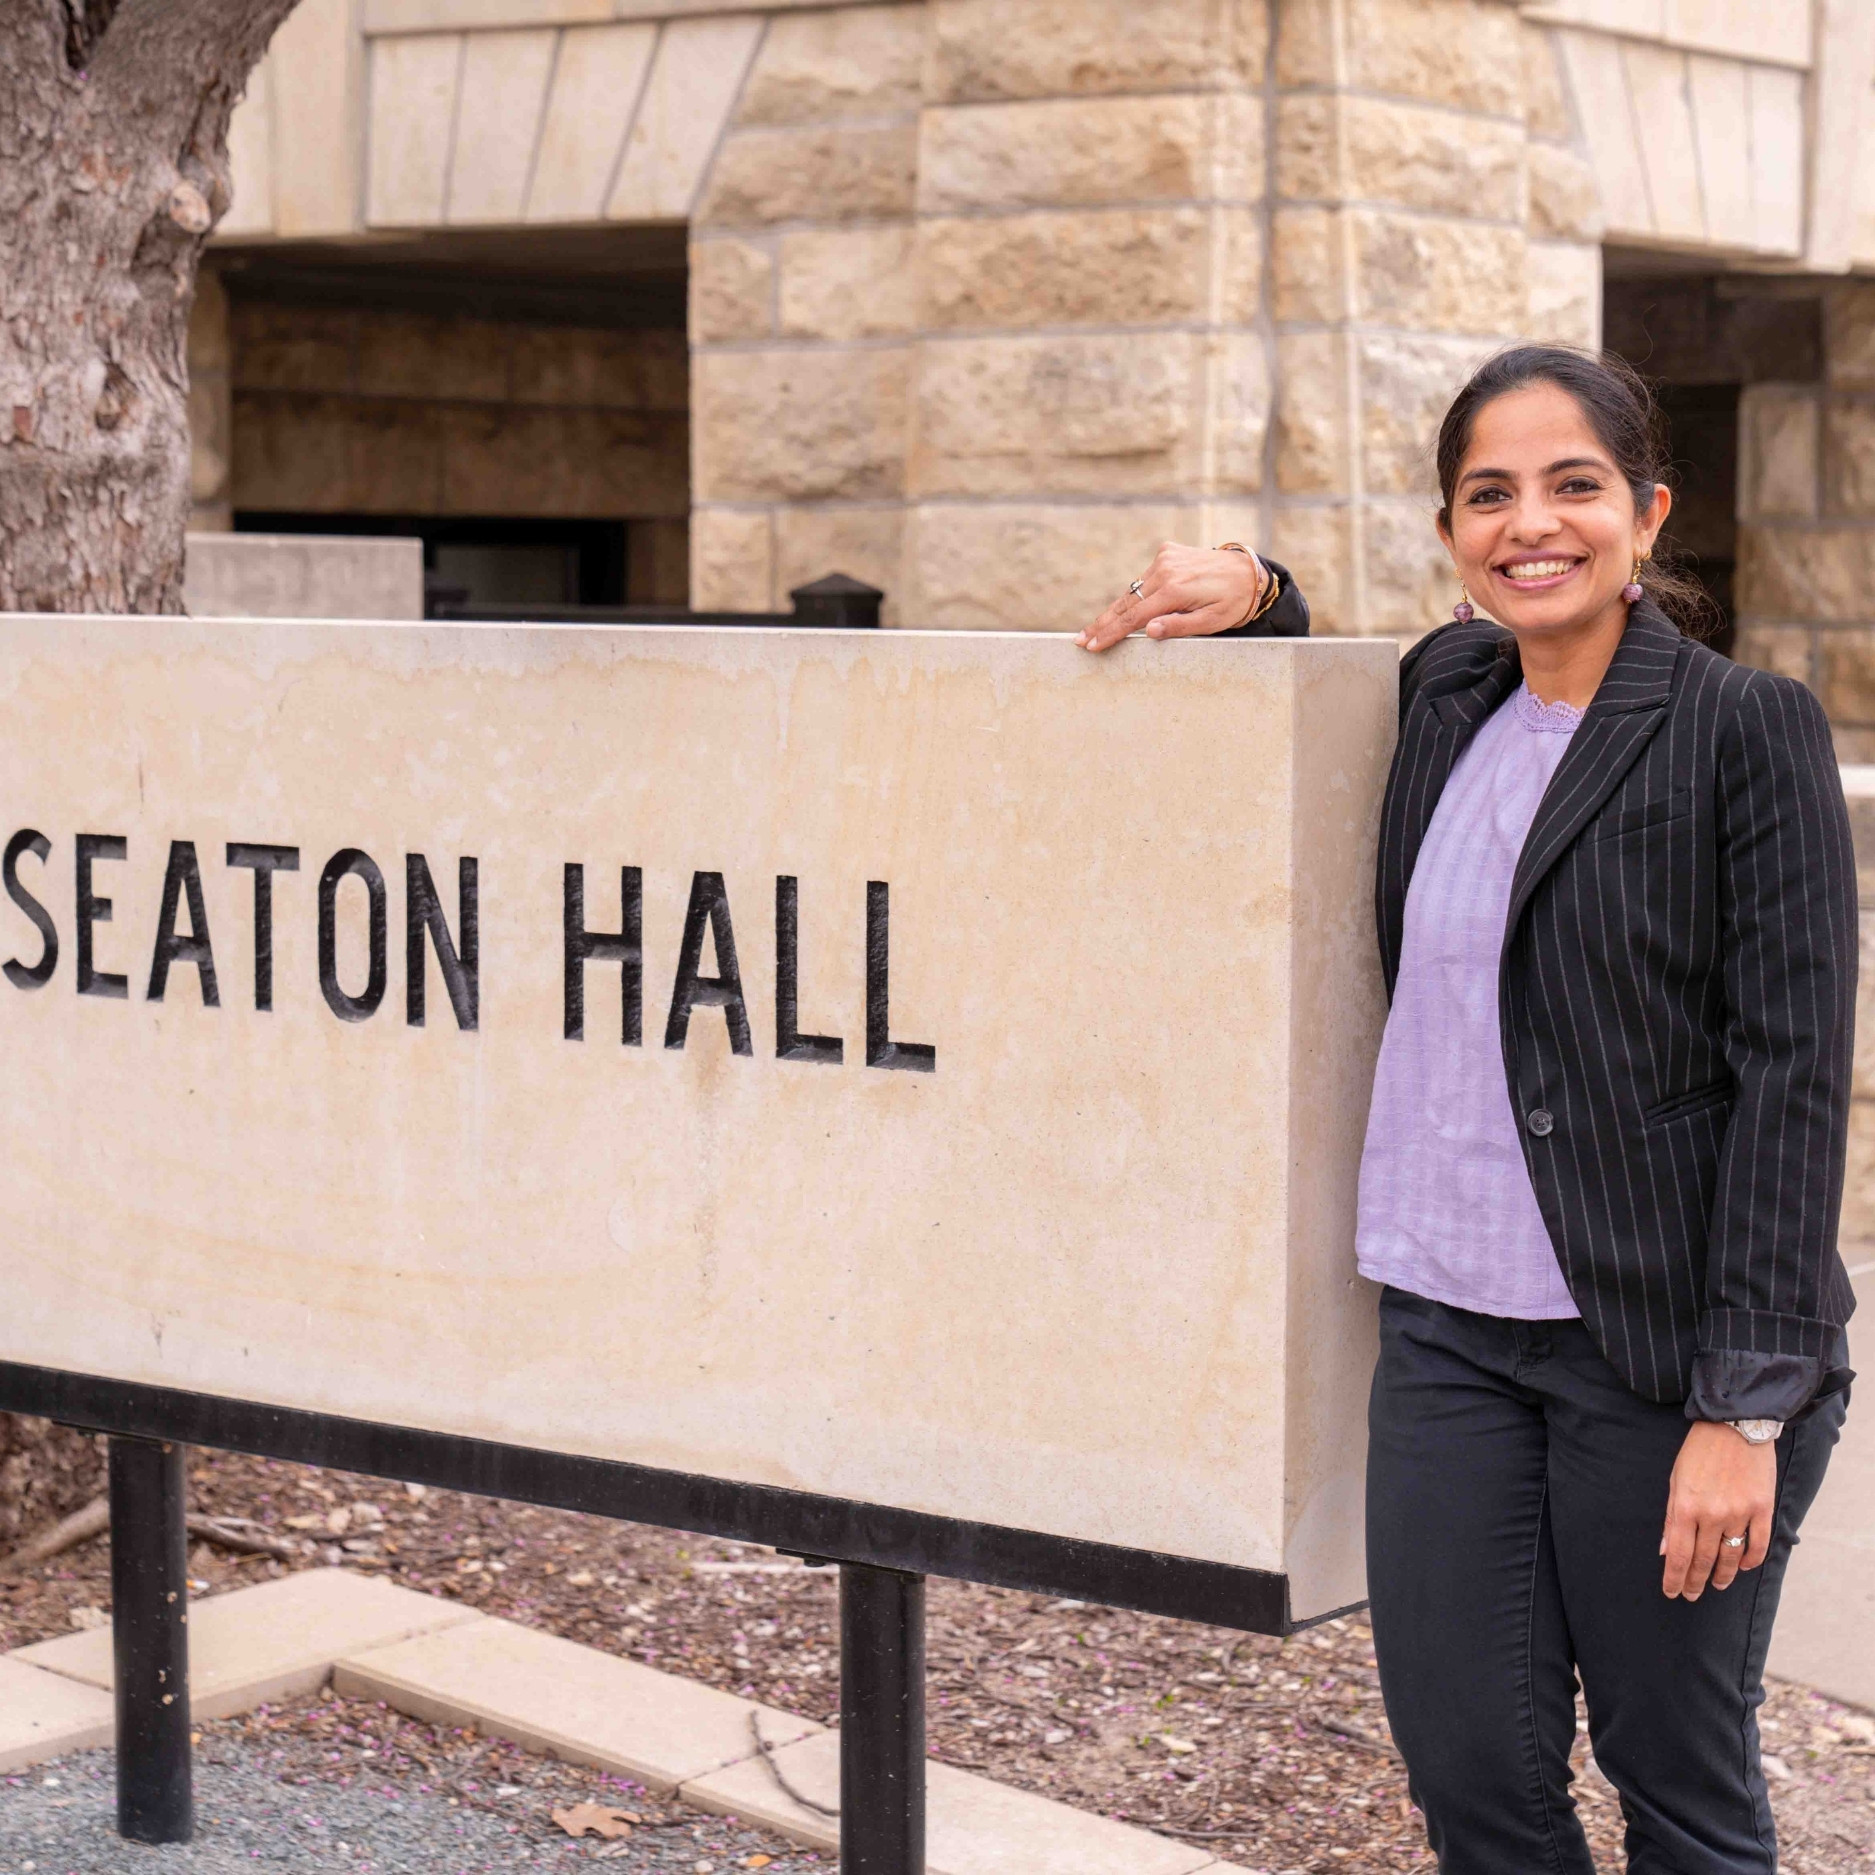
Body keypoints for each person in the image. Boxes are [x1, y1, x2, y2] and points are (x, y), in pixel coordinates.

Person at [1081, 345, 1857, 1875]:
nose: (1532, 525)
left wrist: (1741, 1408)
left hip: (1659, 1348)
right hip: (1445, 1337)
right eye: (1488, 495)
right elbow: (1336, 669)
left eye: (1573, 487)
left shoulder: (1741, 729)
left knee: (1675, 1781)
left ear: (1647, 512)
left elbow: (1792, 1075)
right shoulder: (1451, 690)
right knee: (1472, 1779)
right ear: (1450, 533)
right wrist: (1262, 586)